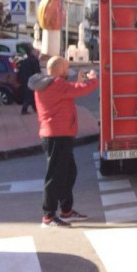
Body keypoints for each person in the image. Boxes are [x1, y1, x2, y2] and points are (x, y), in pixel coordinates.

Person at [29, 57, 99, 227]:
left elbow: (70, 90)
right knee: (55, 176)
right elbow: (80, 90)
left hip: (57, 135)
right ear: (59, 69)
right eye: (67, 67)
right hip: (57, 136)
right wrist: (93, 79)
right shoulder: (56, 85)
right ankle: (49, 215)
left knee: (68, 173)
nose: (69, 70)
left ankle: (66, 211)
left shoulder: (47, 84)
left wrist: (78, 82)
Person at [17, 48, 41, 115]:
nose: (37, 53)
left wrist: (19, 78)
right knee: (30, 94)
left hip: (24, 79)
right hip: (32, 79)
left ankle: (35, 108)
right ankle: (24, 109)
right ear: (32, 53)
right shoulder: (35, 60)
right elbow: (37, 71)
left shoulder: (24, 61)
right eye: (36, 52)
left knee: (30, 94)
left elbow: (20, 70)